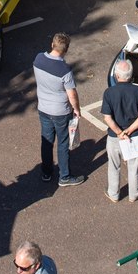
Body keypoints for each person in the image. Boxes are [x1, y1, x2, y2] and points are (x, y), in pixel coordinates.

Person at [34, 33, 85, 186]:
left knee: (47, 141)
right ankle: (64, 176)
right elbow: (72, 94)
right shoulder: (65, 70)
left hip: (43, 108)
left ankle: (46, 172)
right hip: (61, 112)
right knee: (63, 143)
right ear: (66, 49)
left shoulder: (38, 59)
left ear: (52, 44)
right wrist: (77, 109)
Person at [102, 58, 138, 202]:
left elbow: (107, 118)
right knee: (133, 167)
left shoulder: (109, 92)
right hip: (134, 136)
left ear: (116, 75)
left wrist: (119, 133)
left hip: (114, 137)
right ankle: (134, 195)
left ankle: (114, 194)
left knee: (114, 166)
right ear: (131, 75)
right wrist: (129, 131)